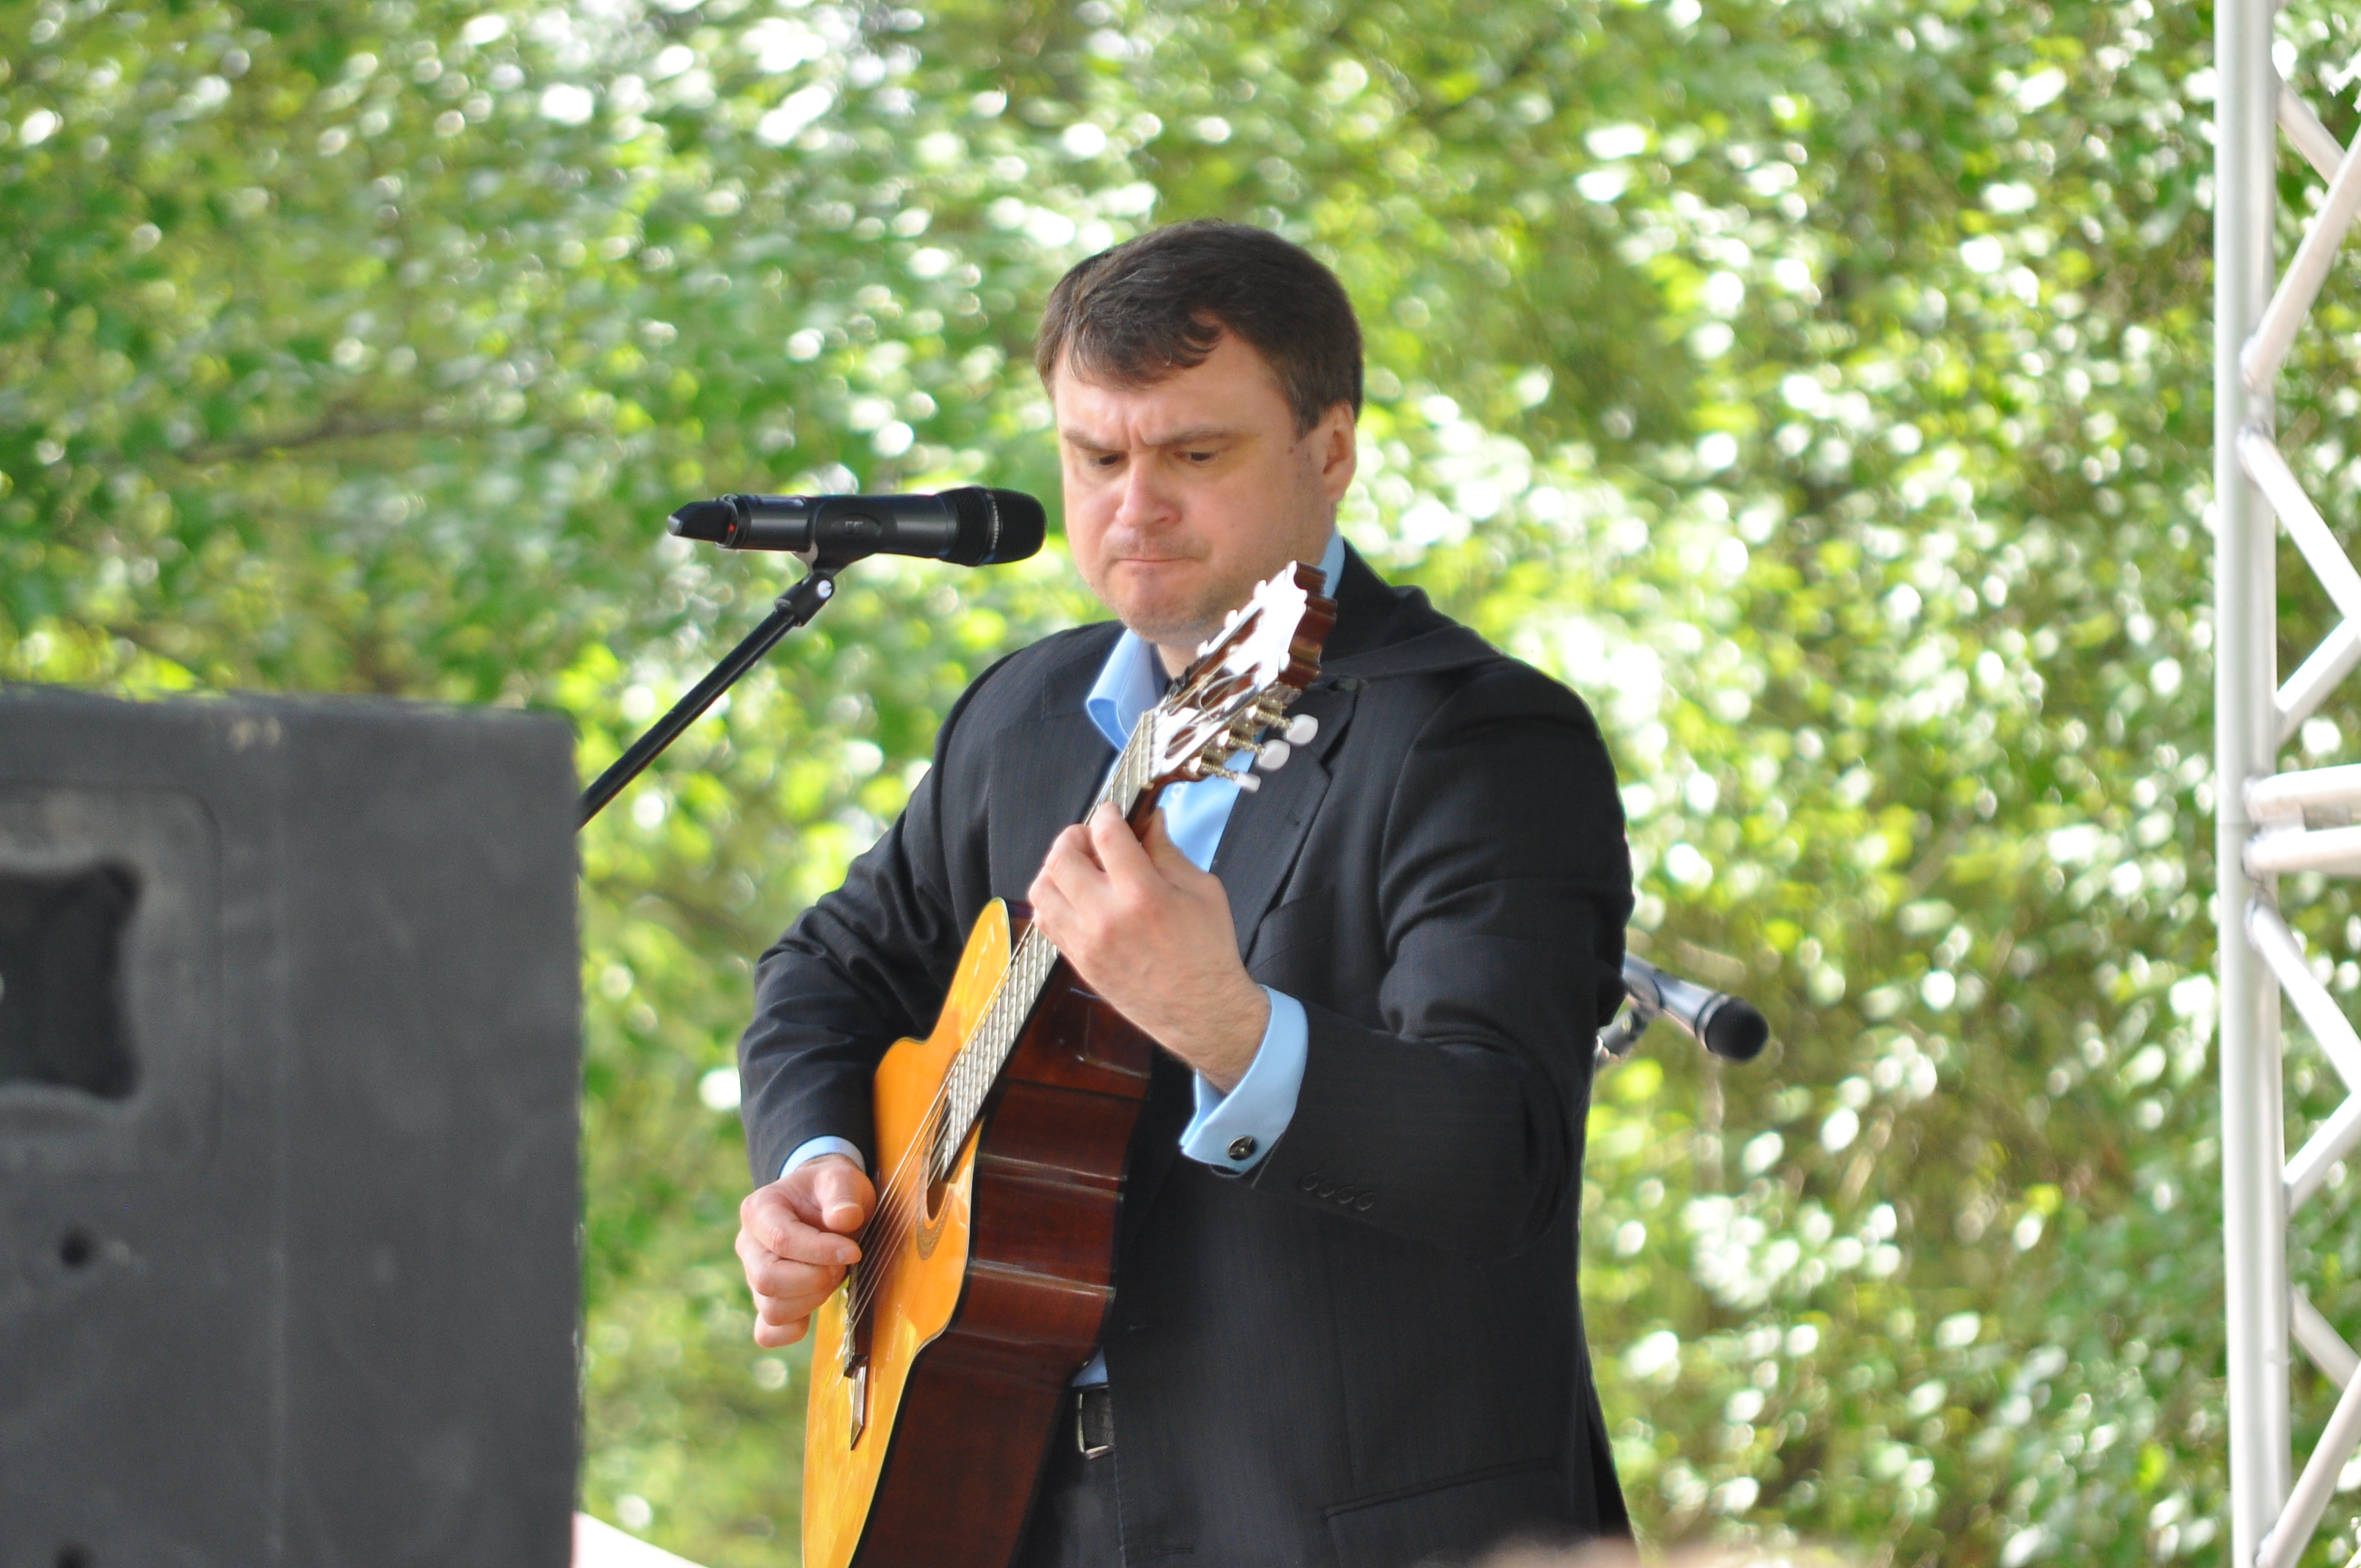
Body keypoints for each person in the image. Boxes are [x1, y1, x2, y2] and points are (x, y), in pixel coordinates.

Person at [733, 219, 1634, 1568]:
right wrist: (817, 1172)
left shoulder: (1481, 741)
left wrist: (1228, 1024)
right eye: (1097, 458)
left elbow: (1504, 1160)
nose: (1134, 506)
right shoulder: (1025, 715)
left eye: (1195, 456)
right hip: (1016, 1509)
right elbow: (826, 973)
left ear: (1331, 450)